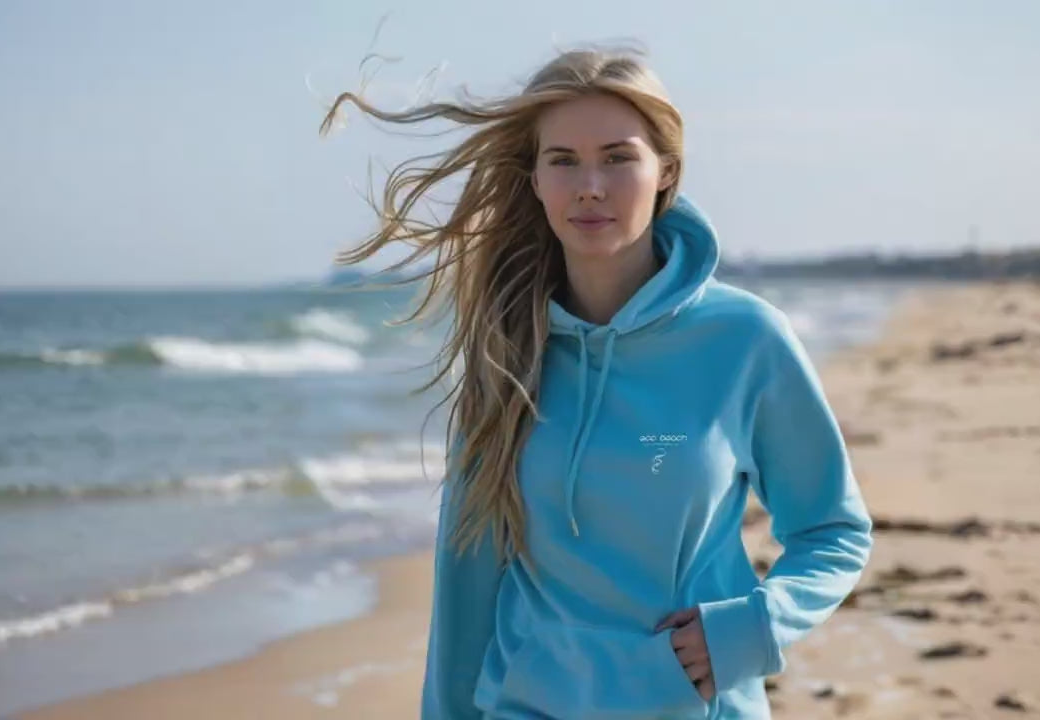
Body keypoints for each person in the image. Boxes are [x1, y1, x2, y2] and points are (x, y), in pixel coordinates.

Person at [322, 45, 873, 720]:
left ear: (665, 171)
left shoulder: (744, 340)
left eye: (618, 157)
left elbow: (832, 530)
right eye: (564, 161)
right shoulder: (505, 347)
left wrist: (752, 630)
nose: (591, 185)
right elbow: (468, 579)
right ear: (534, 180)